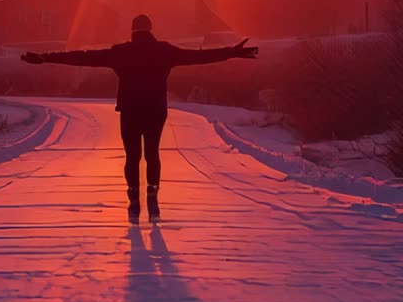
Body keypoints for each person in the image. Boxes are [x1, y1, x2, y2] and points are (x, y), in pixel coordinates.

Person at [21, 14, 258, 221]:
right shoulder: (165, 51)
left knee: (132, 156)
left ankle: (134, 198)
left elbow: (84, 57)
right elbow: (199, 56)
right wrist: (232, 52)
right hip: (156, 109)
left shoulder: (121, 52)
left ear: (133, 30)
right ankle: (153, 193)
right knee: (152, 153)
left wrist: (45, 57)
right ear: (150, 29)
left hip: (131, 109)